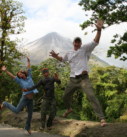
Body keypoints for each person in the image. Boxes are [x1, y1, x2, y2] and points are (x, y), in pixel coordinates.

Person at [49, 20, 107, 126]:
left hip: (84, 79)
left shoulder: (85, 49)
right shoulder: (69, 53)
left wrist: (99, 30)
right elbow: (62, 59)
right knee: (65, 96)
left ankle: (102, 118)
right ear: (73, 43)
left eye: (78, 42)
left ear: (80, 43)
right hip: (73, 79)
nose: (76, 44)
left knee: (91, 97)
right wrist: (55, 56)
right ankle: (69, 109)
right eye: (75, 42)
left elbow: (95, 41)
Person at [0, 57, 38, 134]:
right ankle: (5, 103)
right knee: (17, 110)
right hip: (25, 98)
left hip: (30, 99)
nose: (19, 75)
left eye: (20, 73)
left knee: (30, 114)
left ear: (23, 73)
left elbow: (29, 68)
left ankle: (27, 127)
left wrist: (28, 61)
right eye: (18, 75)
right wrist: (6, 70)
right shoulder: (20, 81)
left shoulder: (29, 77)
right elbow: (12, 76)